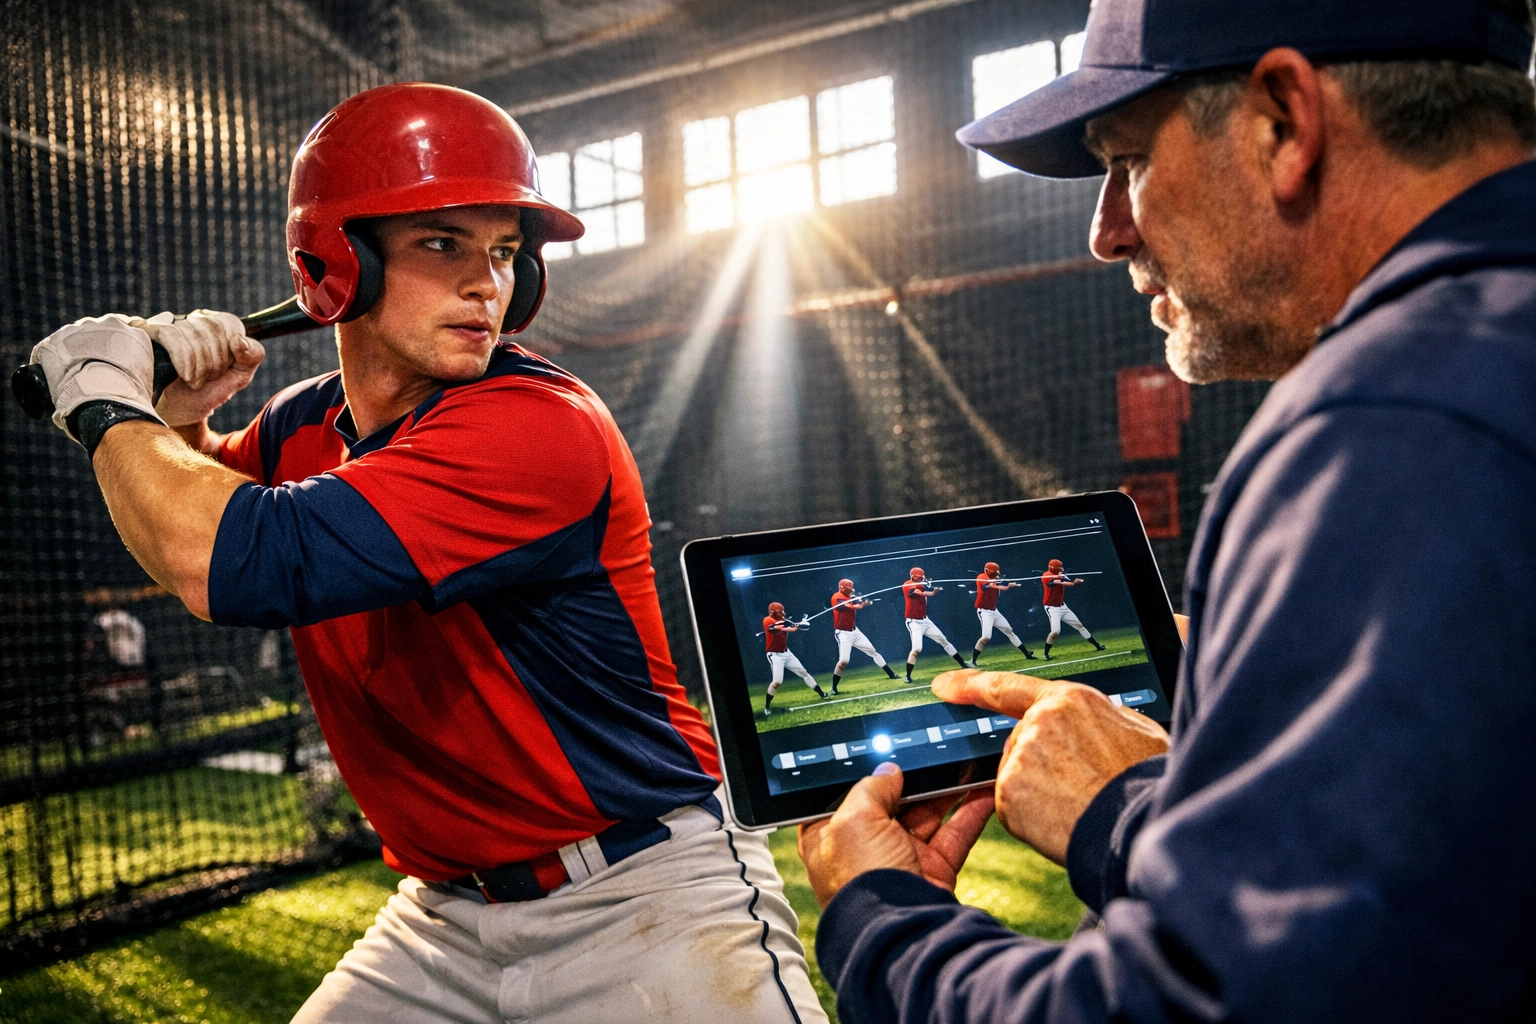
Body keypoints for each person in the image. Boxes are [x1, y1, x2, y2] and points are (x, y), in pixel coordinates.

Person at [797, 0, 1536, 1020]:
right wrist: (1248, 697)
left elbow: (1211, 1004)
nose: (1107, 230)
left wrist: (885, 920)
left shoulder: (1389, 418)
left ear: (1284, 120)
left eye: (1127, 157)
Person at [27, 83, 826, 1024]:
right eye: (443, 243)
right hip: (444, 918)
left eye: (504, 252)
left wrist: (106, 403)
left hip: (644, 890)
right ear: (332, 266)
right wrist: (178, 421)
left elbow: (226, 558)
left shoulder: (534, 429)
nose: (487, 281)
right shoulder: (300, 423)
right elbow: (187, 504)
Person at [829, 578, 899, 694]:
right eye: (849, 588)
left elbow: (857, 602)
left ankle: (891, 674)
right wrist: (857, 604)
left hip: (855, 632)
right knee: (843, 661)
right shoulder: (836, 597)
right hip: (843, 634)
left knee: (873, 651)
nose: (851, 590)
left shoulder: (851, 597)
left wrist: (864, 602)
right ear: (842, 588)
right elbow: (843, 606)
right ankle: (834, 688)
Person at [899, 567, 969, 683]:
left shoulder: (921, 584)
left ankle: (963, 664)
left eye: (923, 576)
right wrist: (929, 589)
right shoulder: (908, 584)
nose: (922, 578)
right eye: (920, 576)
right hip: (914, 622)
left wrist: (932, 589)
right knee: (916, 649)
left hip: (925, 621)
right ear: (914, 576)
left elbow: (927, 591)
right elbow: (917, 592)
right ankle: (908, 676)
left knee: (943, 640)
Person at [764, 600, 828, 715]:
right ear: (773, 612)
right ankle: (767, 706)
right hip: (775, 655)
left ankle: (822, 693)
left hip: (786, 653)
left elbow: (792, 628)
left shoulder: (783, 620)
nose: (782, 613)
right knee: (777, 682)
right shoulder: (768, 620)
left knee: (804, 672)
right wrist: (791, 624)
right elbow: (775, 628)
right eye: (780, 611)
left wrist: (798, 625)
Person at [968, 560, 1036, 667]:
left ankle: (1027, 654)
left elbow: (1000, 586)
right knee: (986, 637)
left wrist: (1008, 585)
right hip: (984, 611)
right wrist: (1001, 585)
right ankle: (972, 661)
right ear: (987, 571)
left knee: (1009, 631)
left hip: (994, 611)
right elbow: (988, 586)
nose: (996, 575)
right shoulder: (981, 577)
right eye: (994, 573)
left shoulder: (996, 579)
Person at [1039, 557, 1105, 659]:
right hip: (1052, 608)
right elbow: (1054, 582)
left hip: (1063, 606)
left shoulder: (1060, 575)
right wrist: (1060, 579)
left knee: (1079, 626)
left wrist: (1074, 582)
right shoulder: (1046, 575)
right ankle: (1046, 654)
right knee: (1055, 632)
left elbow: (1068, 583)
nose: (1062, 569)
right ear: (1054, 568)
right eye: (1060, 568)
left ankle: (1097, 646)